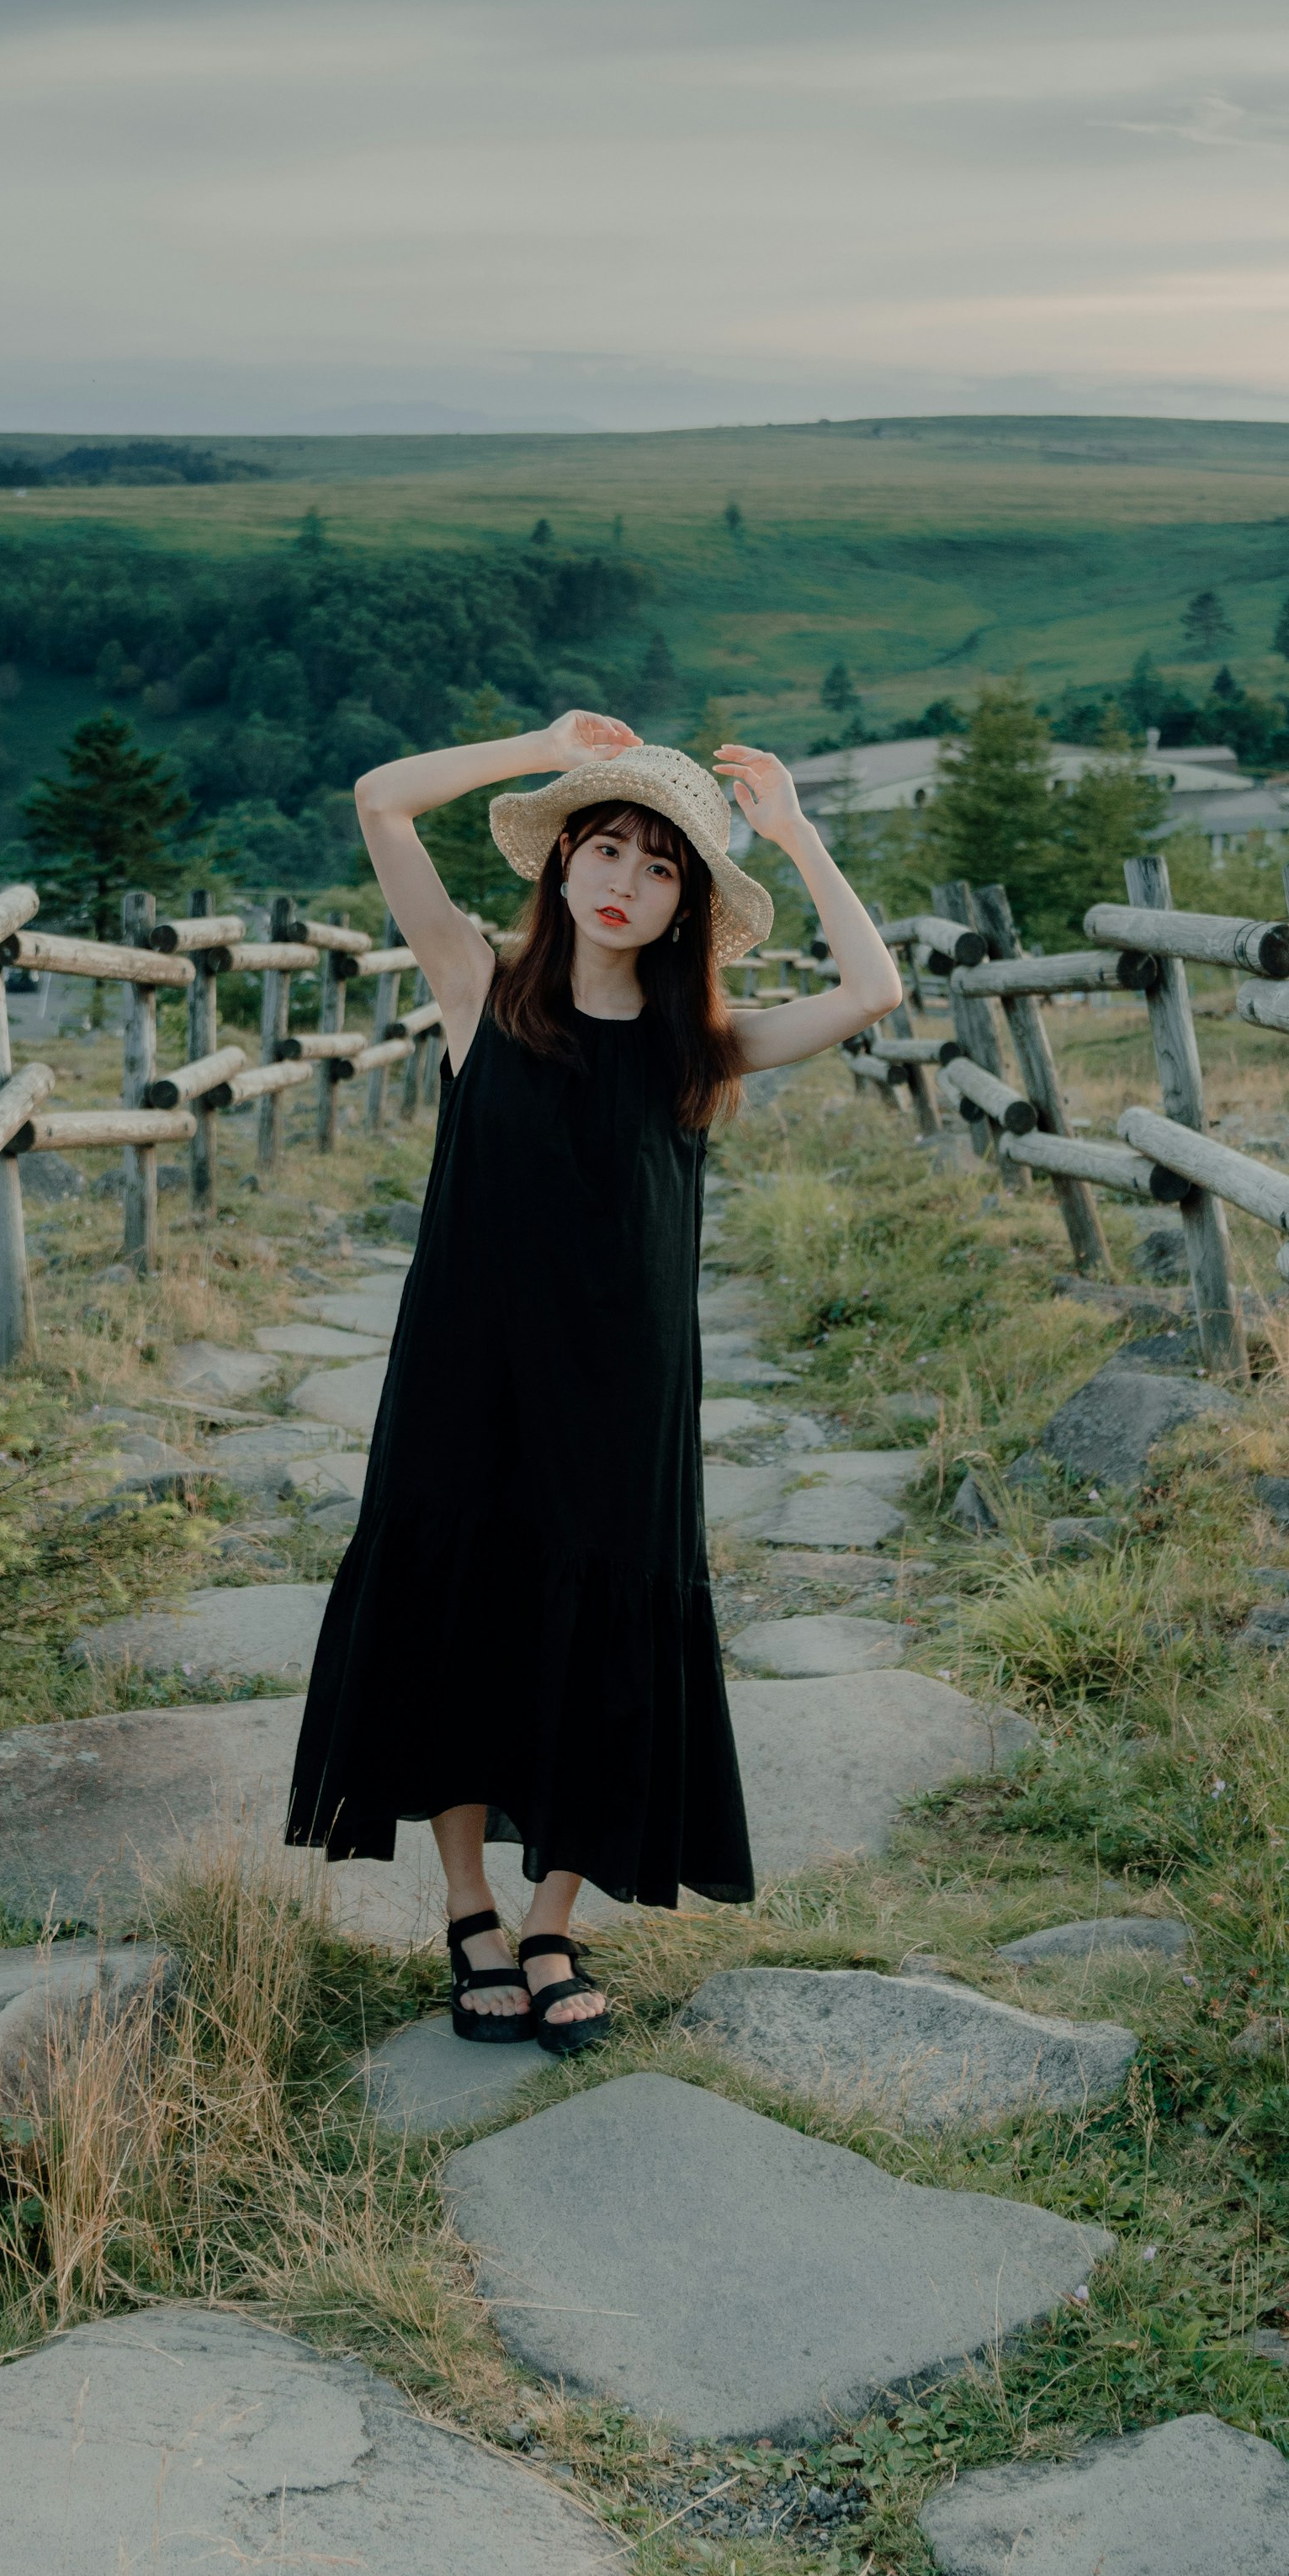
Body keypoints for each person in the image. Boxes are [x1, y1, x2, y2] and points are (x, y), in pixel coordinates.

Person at [284, 709, 904, 2052]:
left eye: (663, 864)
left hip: (623, 1402)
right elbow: (382, 801)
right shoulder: (479, 985)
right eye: (606, 844)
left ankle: (553, 1915)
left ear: (685, 904)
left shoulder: (700, 1049)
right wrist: (540, 746)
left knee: (604, 1640)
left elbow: (872, 991)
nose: (627, 878)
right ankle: (470, 1914)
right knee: (457, 1618)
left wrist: (793, 835)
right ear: (563, 860)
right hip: (466, 1372)